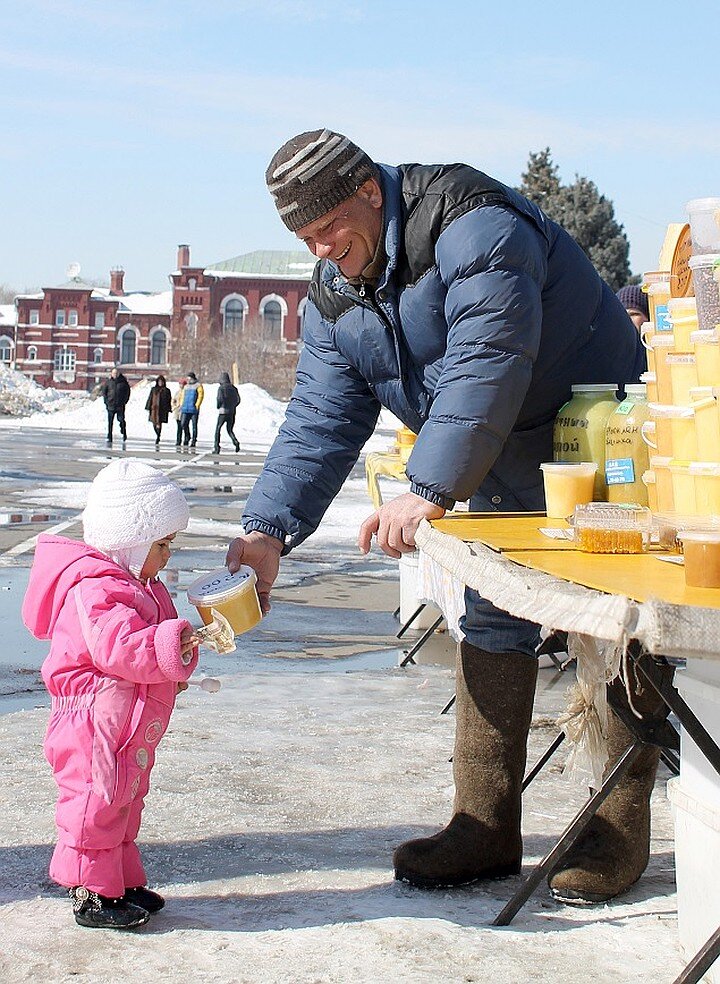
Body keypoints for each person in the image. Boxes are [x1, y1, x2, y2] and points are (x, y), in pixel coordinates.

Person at [226, 128, 649, 904]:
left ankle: (618, 833)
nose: (320, 249)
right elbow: (320, 417)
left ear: (370, 192)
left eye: (328, 228)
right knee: (490, 618)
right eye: (303, 237)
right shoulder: (334, 294)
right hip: (486, 452)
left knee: (614, 626)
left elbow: (490, 354)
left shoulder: (474, 219)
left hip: (594, 434)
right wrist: (269, 529)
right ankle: (484, 824)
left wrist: (428, 485)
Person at [22, 459, 199, 929]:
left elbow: (152, 645)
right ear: (131, 541)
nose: (167, 556)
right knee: (94, 802)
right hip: (93, 725)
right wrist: (171, 646)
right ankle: (91, 890)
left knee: (124, 799)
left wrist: (174, 659)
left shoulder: (142, 585)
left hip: (126, 726)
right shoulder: (97, 588)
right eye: (161, 545)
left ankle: (118, 878)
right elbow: (118, 647)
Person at [101, 367, 131, 447]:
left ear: (118, 374)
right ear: (111, 374)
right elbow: (104, 392)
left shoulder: (123, 382)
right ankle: (109, 436)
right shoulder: (108, 382)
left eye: (116, 373)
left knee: (121, 419)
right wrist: (106, 402)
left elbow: (127, 392)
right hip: (110, 405)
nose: (115, 375)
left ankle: (124, 432)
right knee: (110, 422)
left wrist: (124, 401)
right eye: (113, 373)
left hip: (120, 405)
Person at [213, 371, 241, 454]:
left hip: (223, 411)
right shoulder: (234, 388)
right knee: (229, 429)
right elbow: (238, 400)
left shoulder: (221, 388)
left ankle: (216, 447)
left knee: (218, 429)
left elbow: (219, 399)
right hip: (232, 411)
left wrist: (218, 406)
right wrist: (233, 406)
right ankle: (235, 442)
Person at [145, 374, 172, 448]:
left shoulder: (166, 390)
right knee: (154, 423)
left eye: (162, 382)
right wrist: (148, 406)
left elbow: (169, 400)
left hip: (162, 410)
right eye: (159, 381)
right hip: (154, 409)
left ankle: (158, 436)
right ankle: (157, 433)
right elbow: (150, 398)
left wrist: (169, 409)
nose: (160, 383)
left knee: (159, 423)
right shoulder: (154, 389)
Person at [179, 371, 204, 449]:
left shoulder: (198, 386)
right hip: (185, 408)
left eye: (189, 378)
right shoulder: (186, 386)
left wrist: (197, 405)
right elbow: (182, 396)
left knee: (194, 425)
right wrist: (181, 404)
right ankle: (187, 436)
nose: (188, 380)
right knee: (183, 424)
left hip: (193, 409)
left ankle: (194, 440)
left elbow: (201, 396)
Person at [172, 377, 187, 448]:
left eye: (182, 384)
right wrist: (174, 405)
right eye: (180, 384)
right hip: (177, 411)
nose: (181, 385)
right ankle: (178, 440)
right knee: (179, 426)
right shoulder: (178, 392)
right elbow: (173, 400)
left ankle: (185, 438)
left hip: (183, 411)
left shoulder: (186, 392)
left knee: (183, 425)